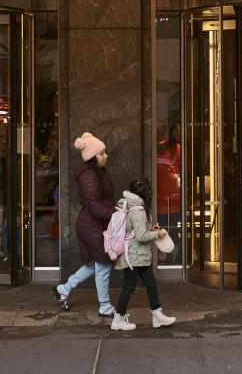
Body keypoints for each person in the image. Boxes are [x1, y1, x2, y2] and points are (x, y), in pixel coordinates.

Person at [51, 132, 116, 317]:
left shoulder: (95, 173)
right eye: (102, 153)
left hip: (93, 224)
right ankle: (104, 305)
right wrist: (114, 214)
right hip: (92, 226)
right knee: (102, 264)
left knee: (94, 263)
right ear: (94, 156)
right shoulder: (89, 175)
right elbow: (93, 204)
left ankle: (64, 288)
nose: (106, 156)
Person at [110, 177, 176, 331]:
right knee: (129, 287)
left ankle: (157, 315)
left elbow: (137, 231)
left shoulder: (131, 207)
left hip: (138, 256)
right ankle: (118, 318)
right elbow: (140, 237)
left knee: (150, 284)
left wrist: (150, 229)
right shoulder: (138, 210)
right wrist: (157, 234)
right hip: (134, 256)